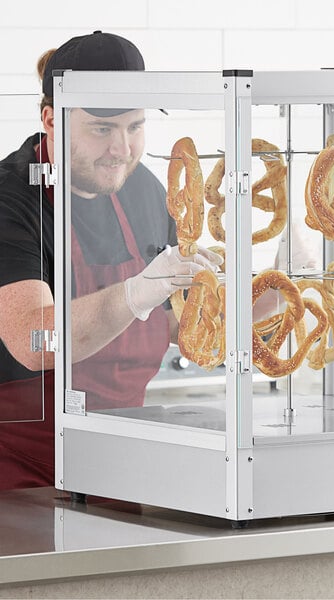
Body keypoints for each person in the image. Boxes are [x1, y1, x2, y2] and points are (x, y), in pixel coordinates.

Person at [0, 31, 222, 490]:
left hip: (120, 464)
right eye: (103, 128)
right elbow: (36, 341)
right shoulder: (11, 199)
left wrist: (273, 294)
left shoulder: (142, 189)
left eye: (134, 127)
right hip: (22, 481)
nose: (122, 149)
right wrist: (136, 291)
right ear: (52, 119)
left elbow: (178, 324)